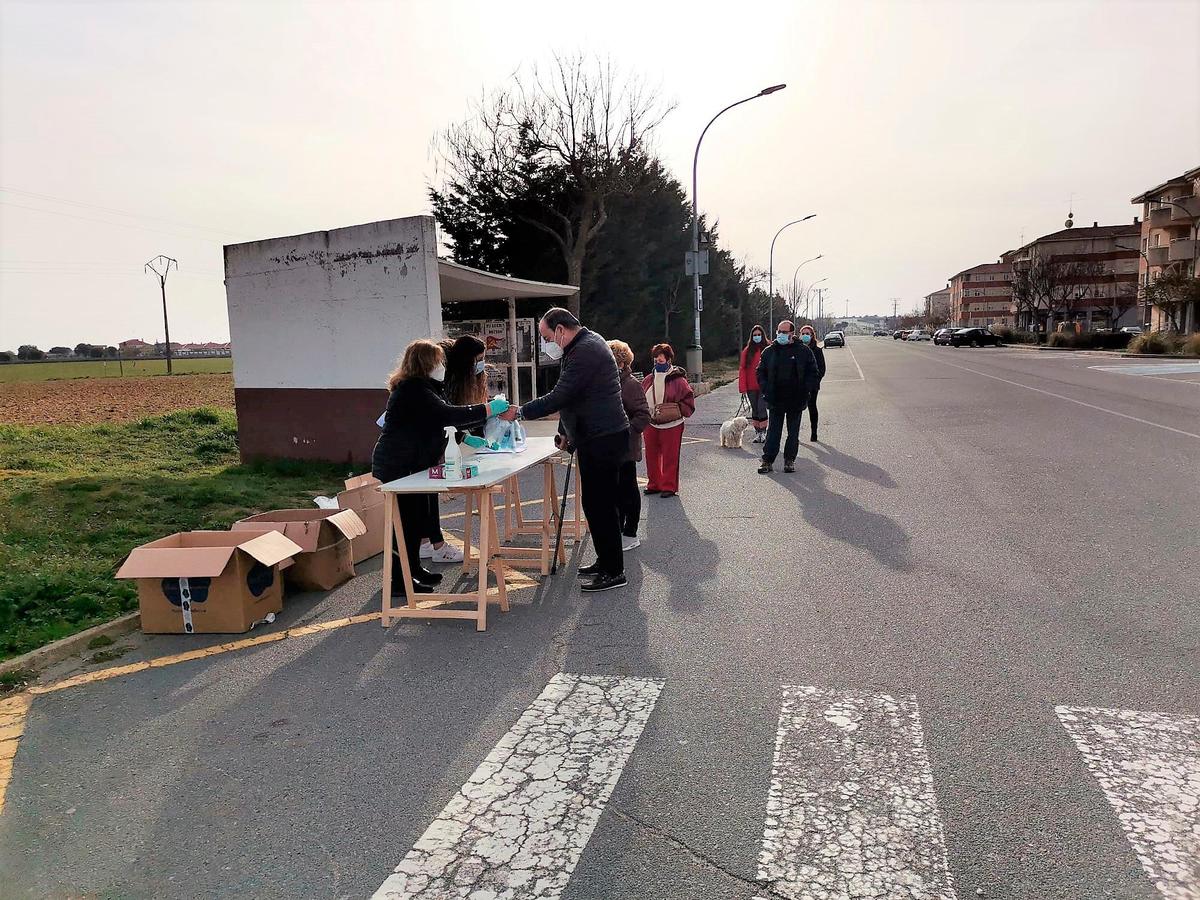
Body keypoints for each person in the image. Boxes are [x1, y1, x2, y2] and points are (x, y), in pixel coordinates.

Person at [498, 308, 630, 593]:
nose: (547, 344)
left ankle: (614, 570)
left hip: (602, 437)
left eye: (546, 337)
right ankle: (606, 561)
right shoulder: (582, 346)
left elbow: (561, 395)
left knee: (601, 505)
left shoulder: (585, 350)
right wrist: (564, 433)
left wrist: (520, 411)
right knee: (595, 505)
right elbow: (572, 399)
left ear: (561, 329)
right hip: (596, 435)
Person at [372, 339, 508, 594]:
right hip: (398, 464)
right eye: (438, 361)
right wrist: (488, 409)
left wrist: (462, 437)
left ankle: (413, 570)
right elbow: (447, 415)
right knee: (405, 522)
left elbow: (437, 422)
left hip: (414, 462)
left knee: (416, 519)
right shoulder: (413, 388)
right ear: (425, 363)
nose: (442, 366)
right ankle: (399, 581)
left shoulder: (428, 387)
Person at [419, 334, 489, 564]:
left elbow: (449, 415)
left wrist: (466, 435)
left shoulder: (455, 372)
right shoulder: (441, 376)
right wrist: (464, 433)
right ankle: (435, 545)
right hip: (416, 443)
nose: (481, 364)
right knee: (423, 493)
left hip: (427, 438)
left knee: (427, 493)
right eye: (478, 359)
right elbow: (445, 415)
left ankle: (426, 542)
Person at [755, 320, 818, 474]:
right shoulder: (769, 351)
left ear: (791, 333)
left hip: (796, 399)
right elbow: (760, 372)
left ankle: (789, 460)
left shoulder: (803, 351)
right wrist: (765, 389)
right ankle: (767, 461)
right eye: (779, 332)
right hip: (775, 399)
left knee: (793, 432)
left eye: (784, 332)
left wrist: (806, 390)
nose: (781, 335)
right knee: (773, 432)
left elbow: (813, 372)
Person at [608, 339, 652, 552]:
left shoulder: (631, 384)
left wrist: (624, 432)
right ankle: (618, 529)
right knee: (615, 493)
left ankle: (630, 532)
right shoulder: (608, 383)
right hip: (611, 448)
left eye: (613, 360)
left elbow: (643, 415)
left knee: (628, 491)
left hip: (625, 447)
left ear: (622, 363)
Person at [641, 343, 696, 498]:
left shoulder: (678, 380)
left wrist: (676, 410)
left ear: (669, 358)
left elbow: (688, 401)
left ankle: (669, 486)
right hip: (651, 422)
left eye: (662, 355)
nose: (659, 358)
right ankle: (654, 483)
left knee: (670, 455)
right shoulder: (648, 379)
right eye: (657, 355)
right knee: (651, 454)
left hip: (673, 424)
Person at [739, 325, 769, 442]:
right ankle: (757, 432)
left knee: (762, 408)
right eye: (755, 335)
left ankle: (764, 432)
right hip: (751, 386)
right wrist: (742, 388)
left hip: (764, 385)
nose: (757, 337)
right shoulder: (747, 351)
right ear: (752, 337)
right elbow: (742, 369)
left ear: (763, 335)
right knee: (755, 409)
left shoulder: (768, 347)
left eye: (759, 335)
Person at [797, 324, 826, 442]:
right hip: (797, 385)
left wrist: (814, 381)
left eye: (807, 334)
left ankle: (814, 432)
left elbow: (822, 369)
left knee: (812, 407)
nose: (805, 336)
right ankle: (795, 434)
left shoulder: (817, 350)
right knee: (796, 410)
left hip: (812, 386)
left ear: (812, 336)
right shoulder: (797, 349)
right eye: (803, 334)